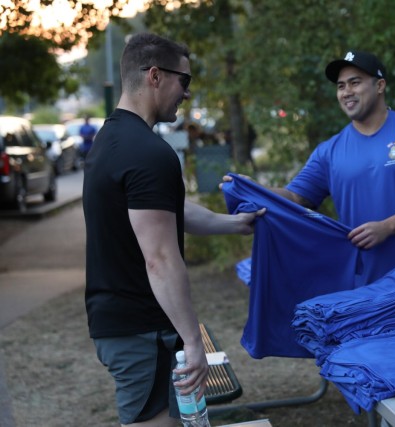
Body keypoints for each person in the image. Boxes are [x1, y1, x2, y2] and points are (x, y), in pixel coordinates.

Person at [82, 33, 264, 426]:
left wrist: (233, 224)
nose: (187, 93)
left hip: (122, 322)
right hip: (142, 330)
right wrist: (194, 341)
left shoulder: (112, 139)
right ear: (155, 76)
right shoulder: (148, 154)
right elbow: (161, 259)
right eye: (185, 81)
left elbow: (164, 211)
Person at [225, 50, 395, 285]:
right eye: (340, 86)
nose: (346, 92)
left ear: (379, 86)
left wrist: (388, 227)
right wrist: (254, 188)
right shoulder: (329, 151)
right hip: (370, 288)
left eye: (354, 83)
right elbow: (295, 197)